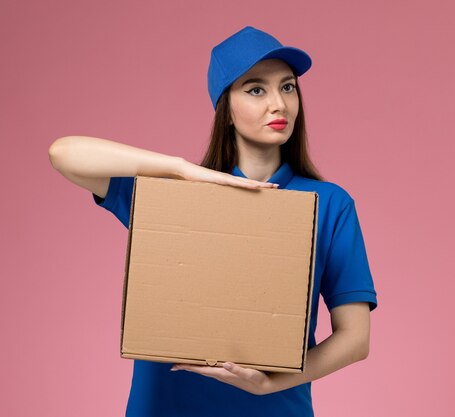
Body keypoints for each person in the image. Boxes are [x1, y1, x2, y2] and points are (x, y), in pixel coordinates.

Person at [48, 26, 378, 417]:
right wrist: (182, 171)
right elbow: (64, 153)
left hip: (273, 408)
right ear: (225, 109)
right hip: (167, 405)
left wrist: (271, 384)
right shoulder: (174, 197)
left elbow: (355, 337)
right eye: (256, 90)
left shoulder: (329, 203)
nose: (279, 104)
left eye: (287, 87)